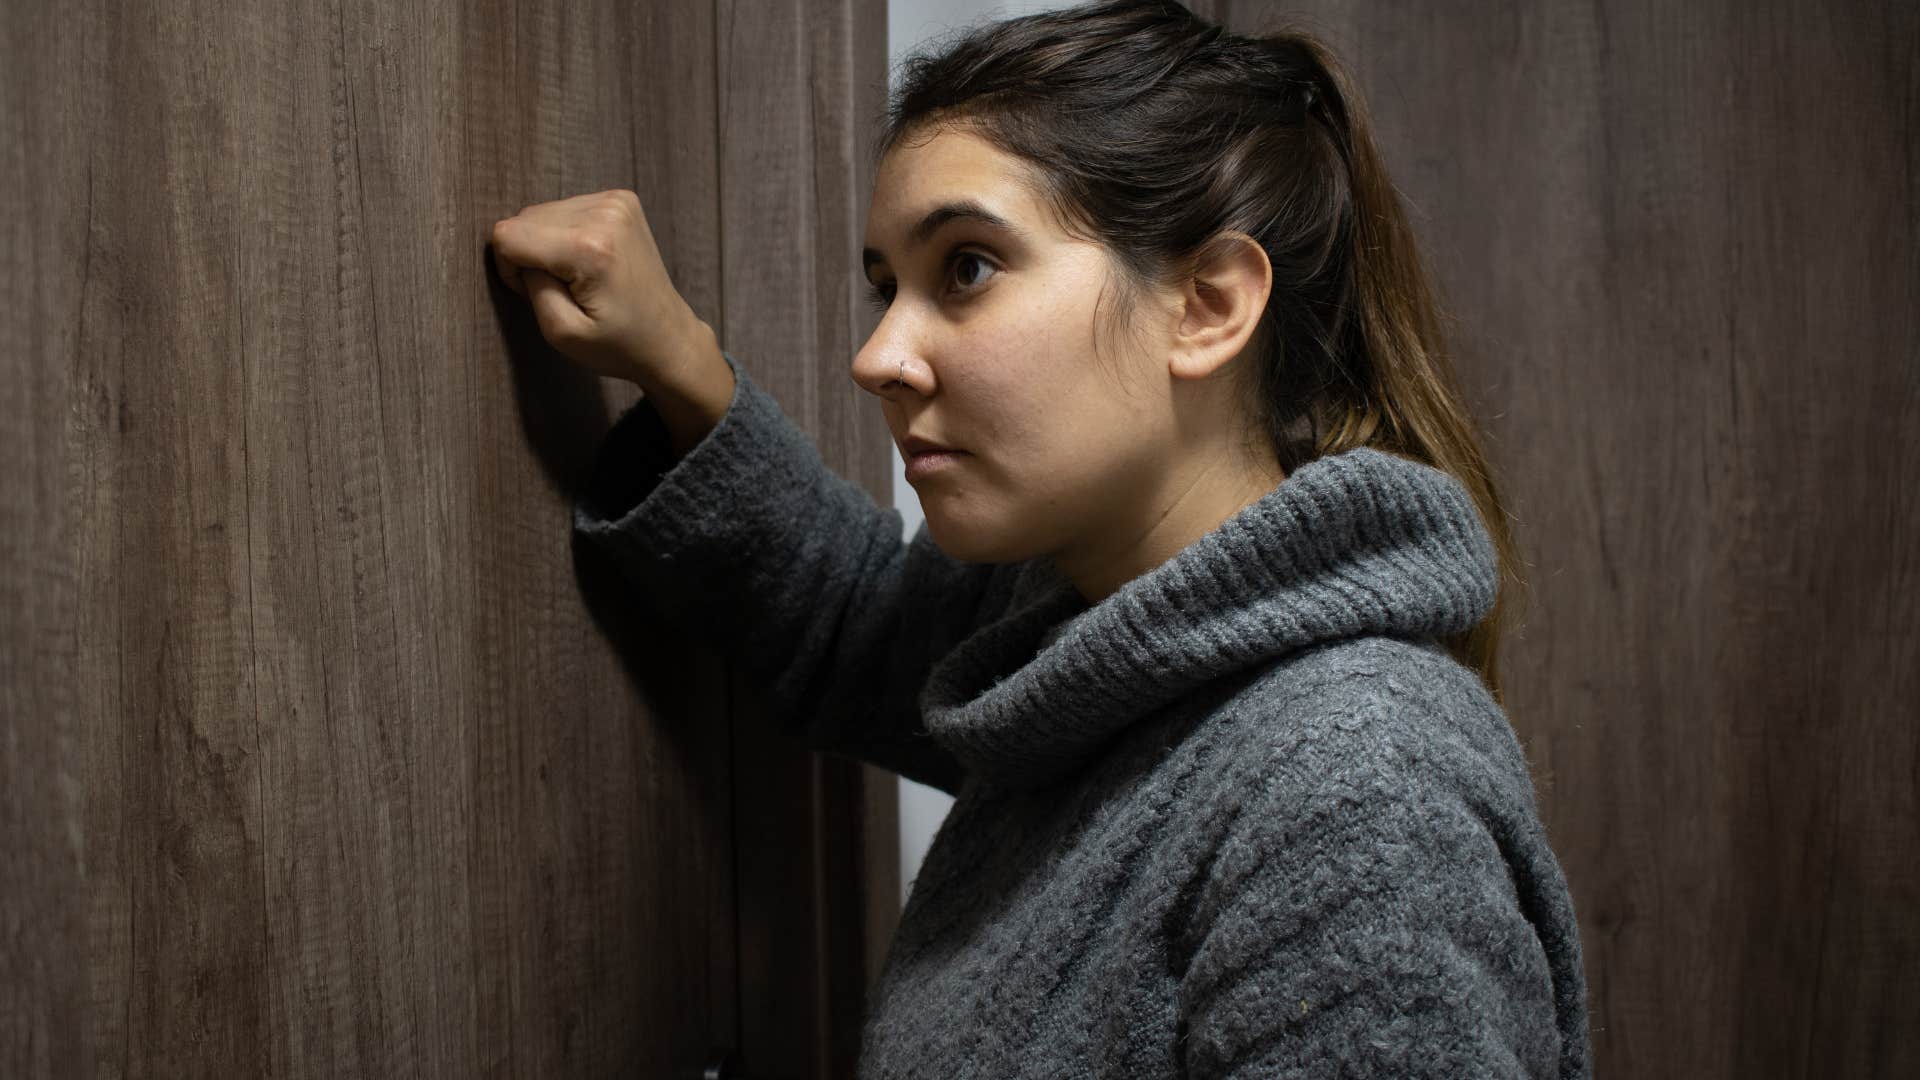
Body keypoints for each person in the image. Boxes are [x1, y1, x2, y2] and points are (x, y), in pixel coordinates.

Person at [487, 0, 1592, 1075]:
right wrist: (678, 359)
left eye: (965, 267)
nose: (878, 357)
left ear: (1207, 305)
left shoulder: (1354, 797)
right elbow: (864, 629)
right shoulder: (1096, 636)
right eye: (888, 289)